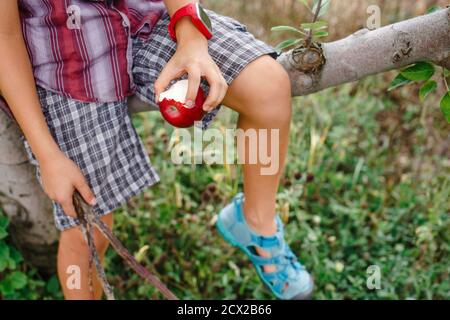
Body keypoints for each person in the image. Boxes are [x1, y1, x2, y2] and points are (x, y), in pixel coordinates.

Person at [0, 0, 313, 300]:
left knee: (266, 86)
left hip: (141, 17)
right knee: (88, 226)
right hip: (60, 56)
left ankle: (255, 222)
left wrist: (191, 36)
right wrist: (47, 153)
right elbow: (4, 34)